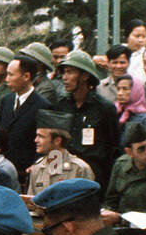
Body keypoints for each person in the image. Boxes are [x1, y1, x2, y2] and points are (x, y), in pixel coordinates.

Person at [51, 49, 120, 190]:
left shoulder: (105, 108)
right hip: (65, 175)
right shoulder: (61, 106)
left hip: (93, 177)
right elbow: (55, 144)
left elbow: (113, 148)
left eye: (70, 72)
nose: (65, 77)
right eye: (63, 72)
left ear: (85, 75)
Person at [25, 109, 94, 202]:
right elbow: (31, 204)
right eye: (36, 136)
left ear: (57, 140)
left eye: (41, 136)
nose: (36, 140)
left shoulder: (79, 169)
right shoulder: (37, 168)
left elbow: (88, 206)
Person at [102, 122, 146, 222]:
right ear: (129, 152)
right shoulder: (120, 165)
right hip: (121, 226)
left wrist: (120, 219)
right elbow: (111, 201)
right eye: (141, 149)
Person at [0, 54, 47, 175]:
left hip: (25, 171)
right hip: (3, 168)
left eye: (11, 75)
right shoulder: (6, 101)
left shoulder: (42, 106)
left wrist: (35, 166)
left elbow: (44, 142)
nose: (6, 79)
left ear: (26, 76)